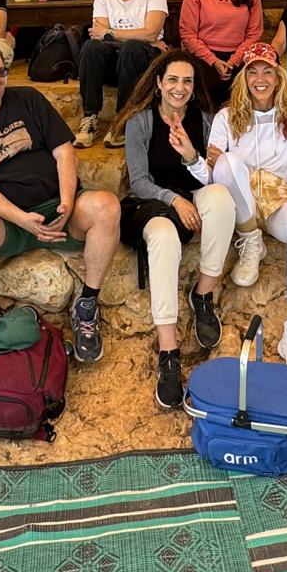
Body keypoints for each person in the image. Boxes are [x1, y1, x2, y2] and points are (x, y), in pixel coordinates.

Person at [0, 41, 122, 368]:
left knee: (107, 205)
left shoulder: (28, 99)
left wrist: (67, 202)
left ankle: (87, 305)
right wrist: (22, 219)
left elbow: (64, 151)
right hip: (6, 222)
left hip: (58, 209)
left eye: (1, 71)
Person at [113, 52, 233, 408]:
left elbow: (211, 176)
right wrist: (175, 201)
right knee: (164, 236)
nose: (180, 88)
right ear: (159, 84)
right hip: (150, 206)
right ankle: (169, 353)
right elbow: (138, 182)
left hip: (192, 195)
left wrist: (191, 154)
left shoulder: (207, 121)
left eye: (187, 81)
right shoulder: (141, 123)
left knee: (221, 197)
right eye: (173, 80)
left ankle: (203, 294)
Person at [205, 44, 287, 377]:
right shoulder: (227, 116)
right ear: (243, 77)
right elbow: (214, 174)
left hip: (279, 196)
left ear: (279, 75)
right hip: (241, 204)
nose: (260, 78)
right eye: (252, 70)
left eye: (267, 70)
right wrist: (195, 158)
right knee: (226, 162)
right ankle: (250, 240)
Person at [76, 0, 168, 147]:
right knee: (91, 47)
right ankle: (90, 117)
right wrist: (139, 34)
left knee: (132, 47)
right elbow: (97, 34)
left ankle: (123, 118)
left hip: (142, 61)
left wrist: (111, 33)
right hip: (115, 60)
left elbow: (152, 33)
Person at [179, 0, 263, 102]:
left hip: (240, 54)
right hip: (205, 55)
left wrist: (234, 60)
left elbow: (254, 33)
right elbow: (187, 33)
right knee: (208, 84)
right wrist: (213, 60)